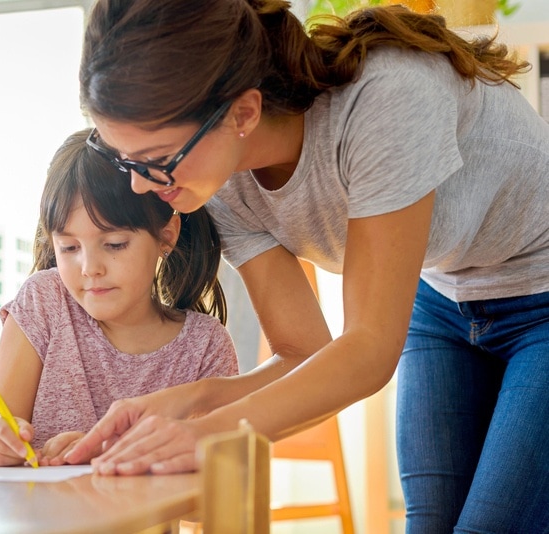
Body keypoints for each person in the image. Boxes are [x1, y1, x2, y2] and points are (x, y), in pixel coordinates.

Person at [63, 0, 549, 531]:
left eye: (157, 159)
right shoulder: (218, 184)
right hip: (444, 297)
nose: (140, 185)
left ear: (243, 113)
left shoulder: (387, 98)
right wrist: (185, 404)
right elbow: (304, 353)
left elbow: (367, 350)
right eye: (125, 159)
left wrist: (209, 434)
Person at [0, 129, 238, 467]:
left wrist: (103, 453)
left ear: (166, 237)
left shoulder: (205, 345)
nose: (90, 268)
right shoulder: (44, 302)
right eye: (69, 248)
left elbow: (215, 480)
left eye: (114, 245)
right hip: (37, 517)